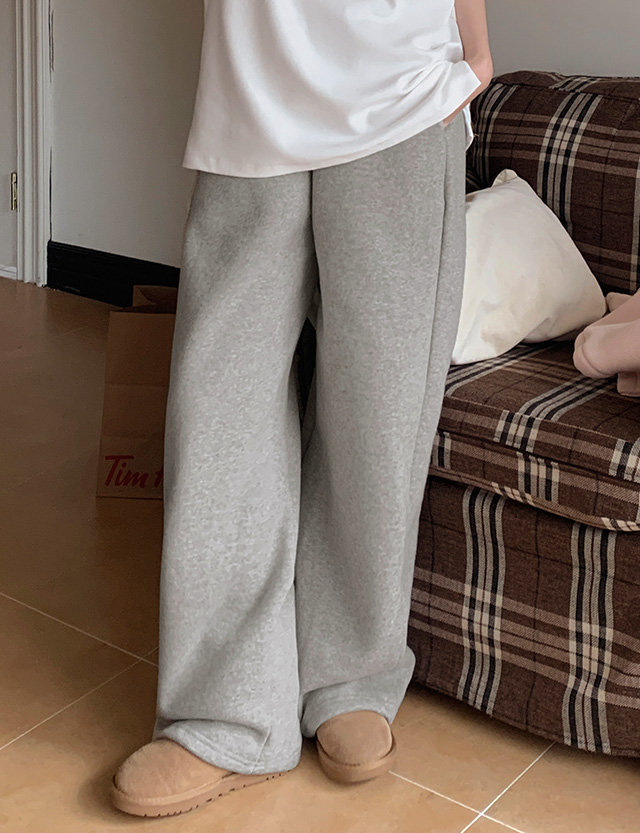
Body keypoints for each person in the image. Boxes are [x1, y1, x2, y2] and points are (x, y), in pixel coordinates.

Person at [111, 0, 493, 819]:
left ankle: (349, 676)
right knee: (219, 409)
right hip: (251, 92)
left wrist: (478, 49)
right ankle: (223, 713)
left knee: (379, 411)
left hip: (404, 94)